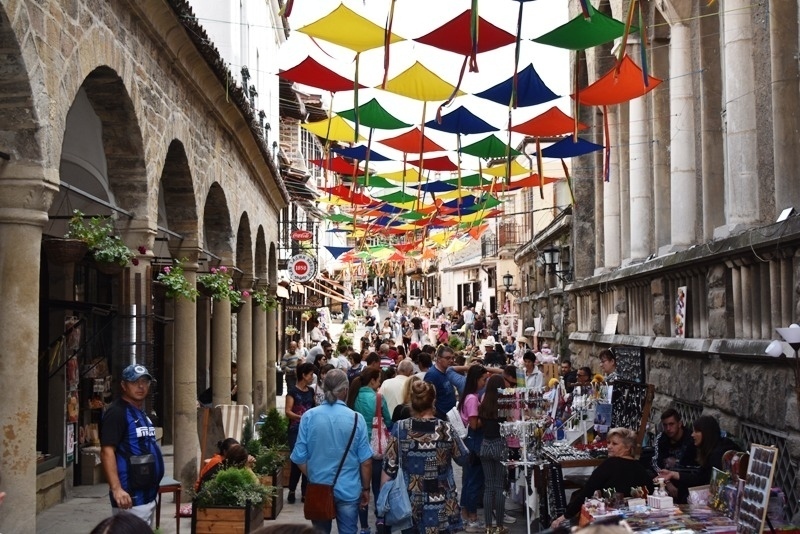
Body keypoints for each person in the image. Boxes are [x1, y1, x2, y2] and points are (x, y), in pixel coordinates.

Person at [291, 369, 373, 534]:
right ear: (345, 390)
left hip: (319, 487)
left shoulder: (308, 416)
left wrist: (314, 474)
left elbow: (298, 457)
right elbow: (366, 462)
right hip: (348, 489)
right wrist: (366, 489)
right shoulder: (357, 418)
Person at [381, 380, 469, 534]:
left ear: (412, 401)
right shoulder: (445, 429)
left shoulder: (401, 428)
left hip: (410, 504)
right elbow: (463, 458)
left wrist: (384, 500)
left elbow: (389, 468)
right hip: (442, 503)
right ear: (433, 400)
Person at [100, 364, 165, 526]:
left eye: (145, 382)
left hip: (147, 495)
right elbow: (107, 451)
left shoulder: (141, 412)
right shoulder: (117, 413)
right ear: (123, 385)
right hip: (130, 498)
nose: (141, 386)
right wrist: (116, 489)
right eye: (135, 382)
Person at [551, 427, 654, 527]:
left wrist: (564, 517)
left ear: (627, 447)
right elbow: (650, 490)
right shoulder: (640, 467)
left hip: (612, 523)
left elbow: (586, 492)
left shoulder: (610, 464)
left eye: (614, 444)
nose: (609, 446)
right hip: (637, 522)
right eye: (608, 442)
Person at [348, 367, 392, 533]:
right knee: (378, 488)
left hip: (358, 448)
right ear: (372, 380)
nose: (379, 382)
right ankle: (380, 519)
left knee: (362, 490)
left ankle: (364, 526)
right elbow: (388, 421)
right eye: (378, 379)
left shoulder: (353, 397)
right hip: (377, 450)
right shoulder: (379, 398)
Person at [658, 415, 739, 503]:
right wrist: (672, 474)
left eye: (696, 431)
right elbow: (701, 476)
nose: (692, 435)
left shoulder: (718, 454)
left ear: (706, 433)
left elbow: (705, 481)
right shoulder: (713, 449)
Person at [459, 365, 490, 532]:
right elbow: (474, 424)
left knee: (470, 480)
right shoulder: (472, 398)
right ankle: (472, 516)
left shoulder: (470, 396)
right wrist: (487, 416)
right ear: (476, 380)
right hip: (474, 443)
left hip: (471, 443)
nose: (485, 383)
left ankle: (465, 513)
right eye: (483, 380)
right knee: (474, 481)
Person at [479, 375, 511, 534]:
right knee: (499, 487)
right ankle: (499, 525)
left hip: (485, 445)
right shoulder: (504, 404)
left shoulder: (483, 403)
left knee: (488, 486)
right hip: (499, 444)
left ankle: (487, 526)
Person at [285, 362, 316, 504]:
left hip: (309, 430)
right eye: (310, 374)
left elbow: (314, 408)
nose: (312, 377)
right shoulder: (292, 392)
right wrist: (300, 417)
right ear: (303, 375)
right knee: (296, 460)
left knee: (308, 459)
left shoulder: (311, 391)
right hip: (295, 430)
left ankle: (305, 491)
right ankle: (292, 490)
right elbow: (288, 411)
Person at [652, 409, 697, 473]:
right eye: (665, 425)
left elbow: (694, 466)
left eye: (671, 424)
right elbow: (656, 462)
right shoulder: (661, 438)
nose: (668, 428)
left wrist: (677, 462)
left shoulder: (691, 439)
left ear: (679, 424)